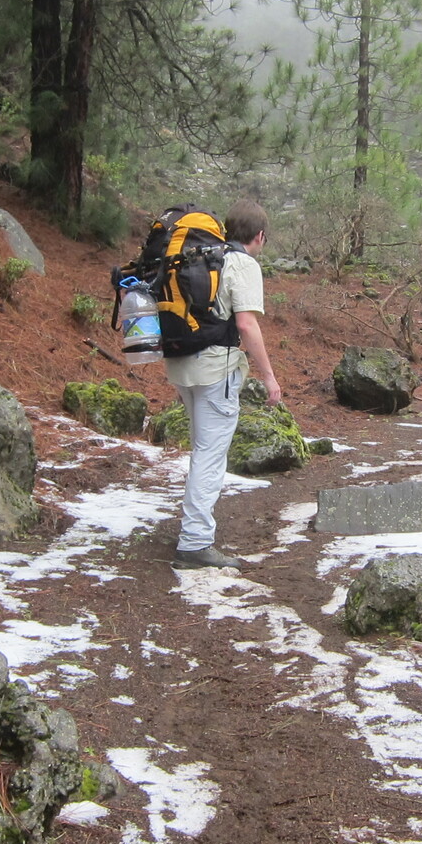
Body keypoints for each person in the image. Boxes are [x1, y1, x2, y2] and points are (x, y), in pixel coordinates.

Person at [166, 200, 283, 570]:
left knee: (202, 448)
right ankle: (195, 542)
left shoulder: (201, 256)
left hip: (182, 363)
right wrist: (269, 377)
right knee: (210, 453)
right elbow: (246, 325)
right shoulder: (242, 264)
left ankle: (193, 530)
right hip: (217, 369)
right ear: (260, 236)